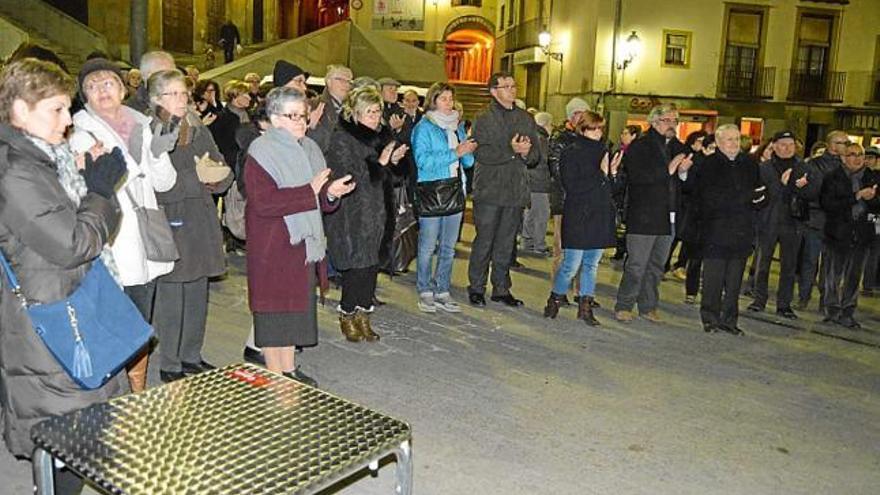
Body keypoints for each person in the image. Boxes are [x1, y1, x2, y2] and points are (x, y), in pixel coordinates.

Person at [0, 57, 128, 494]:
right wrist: (100, 191)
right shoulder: (16, 171)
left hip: (63, 309)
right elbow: (73, 245)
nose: (66, 120)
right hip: (50, 324)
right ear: (20, 110)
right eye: (55, 109)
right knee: (64, 446)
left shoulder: (34, 159)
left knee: (78, 443)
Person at [72, 58, 179, 392]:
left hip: (145, 235)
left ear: (122, 88)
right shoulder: (80, 132)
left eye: (108, 83)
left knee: (141, 317)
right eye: (92, 85)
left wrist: (159, 152)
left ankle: (137, 388)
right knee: (113, 319)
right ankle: (114, 391)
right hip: (113, 237)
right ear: (84, 96)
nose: (101, 90)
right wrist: (137, 153)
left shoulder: (143, 126)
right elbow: (110, 178)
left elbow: (164, 184)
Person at [245, 87, 354, 384]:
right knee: (274, 311)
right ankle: (275, 372)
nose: (301, 122)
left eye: (303, 116)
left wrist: (330, 193)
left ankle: (290, 368)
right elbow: (264, 201)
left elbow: (320, 199)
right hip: (273, 243)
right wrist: (310, 193)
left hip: (303, 245)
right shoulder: (262, 151)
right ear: (275, 118)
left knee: (296, 310)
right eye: (293, 116)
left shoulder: (310, 149)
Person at [146, 70, 232, 382]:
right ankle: (170, 362)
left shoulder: (195, 127)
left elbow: (222, 167)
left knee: (198, 290)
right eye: (172, 94)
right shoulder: (151, 132)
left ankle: (191, 356)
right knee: (172, 295)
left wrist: (220, 177)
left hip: (201, 217)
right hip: (171, 220)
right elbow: (158, 186)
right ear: (156, 98)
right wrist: (198, 178)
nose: (181, 100)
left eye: (183, 94)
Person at [323, 86, 407, 342]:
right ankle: (347, 313)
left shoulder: (381, 135)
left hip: (379, 210)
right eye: (369, 112)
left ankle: (364, 314)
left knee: (371, 266)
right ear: (355, 113)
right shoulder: (342, 138)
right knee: (356, 266)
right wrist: (380, 163)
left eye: (377, 111)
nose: (375, 116)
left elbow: (390, 178)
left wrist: (395, 162)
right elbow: (349, 177)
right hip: (353, 212)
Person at [466, 72, 542, 308]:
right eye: (506, 86)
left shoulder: (525, 119)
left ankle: (501, 288)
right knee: (484, 241)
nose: (512, 90)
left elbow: (536, 156)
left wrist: (527, 153)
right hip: (489, 189)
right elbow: (481, 153)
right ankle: (477, 287)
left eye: (513, 85)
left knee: (506, 243)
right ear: (493, 91)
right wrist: (511, 151)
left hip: (514, 190)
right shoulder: (483, 117)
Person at [614, 103, 693, 322]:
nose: (672, 125)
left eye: (675, 121)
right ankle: (624, 304)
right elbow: (638, 178)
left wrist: (684, 174)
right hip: (644, 214)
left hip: (670, 215)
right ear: (654, 121)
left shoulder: (680, 147)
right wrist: (668, 171)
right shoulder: (640, 147)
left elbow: (689, 186)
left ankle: (648, 306)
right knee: (637, 264)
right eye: (667, 120)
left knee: (657, 265)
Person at [543, 111, 621, 326]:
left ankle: (585, 307)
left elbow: (613, 189)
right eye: (594, 128)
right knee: (571, 264)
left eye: (601, 128)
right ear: (583, 129)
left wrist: (612, 174)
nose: (598, 132)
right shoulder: (572, 152)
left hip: (599, 213)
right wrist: (601, 174)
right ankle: (555, 299)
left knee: (591, 264)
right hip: (578, 213)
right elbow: (572, 186)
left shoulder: (604, 150)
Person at [411, 82, 477, 313]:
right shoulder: (424, 128)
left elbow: (466, 163)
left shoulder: (456, 127)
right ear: (433, 101)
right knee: (428, 246)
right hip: (432, 191)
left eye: (450, 98)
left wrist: (468, 151)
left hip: (455, 190)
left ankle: (443, 289)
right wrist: (455, 153)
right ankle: (425, 289)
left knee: (449, 247)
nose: (448, 103)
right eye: (443, 99)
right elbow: (423, 162)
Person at [695, 124, 766, 335]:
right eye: (729, 139)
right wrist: (745, 198)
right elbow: (707, 198)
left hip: (742, 230)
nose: (734, 144)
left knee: (735, 280)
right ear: (718, 142)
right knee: (713, 279)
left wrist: (759, 198)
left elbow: (760, 191)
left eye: (737, 139)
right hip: (715, 230)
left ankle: (730, 320)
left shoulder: (750, 164)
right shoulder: (709, 165)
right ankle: (710, 318)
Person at [747, 131, 808, 319]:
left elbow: (812, 193)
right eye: (783, 144)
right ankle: (759, 299)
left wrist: (803, 187)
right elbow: (761, 194)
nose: (788, 148)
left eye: (791, 144)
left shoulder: (803, 167)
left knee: (789, 266)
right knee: (762, 263)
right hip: (768, 220)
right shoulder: (764, 168)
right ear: (774, 145)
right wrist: (784, 186)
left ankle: (784, 304)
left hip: (793, 222)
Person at [819, 142, 879, 328]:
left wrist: (873, 199)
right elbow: (827, 204)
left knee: (854, 276)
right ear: (843, 158)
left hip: (861, 234)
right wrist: (857, 196)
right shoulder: (833, 177)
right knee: (833, 275)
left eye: (860, 154)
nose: (857, 158)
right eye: (852, 154)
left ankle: (848, 311)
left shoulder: (872, 177)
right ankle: (832, 310)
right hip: (837, 234)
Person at [797, 130, 848, 310]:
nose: (845, 146)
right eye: (841, 143)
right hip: (816, 219)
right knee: (810, 260)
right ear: (831, 145)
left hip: (837, 222)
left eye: (846, 143)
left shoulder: (847, 166)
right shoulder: (814, 164)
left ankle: (825, 300)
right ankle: (804, 296)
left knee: (830, 264)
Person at [547, 98, 590, 304]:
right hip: (565, 200)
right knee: (562, 248)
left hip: (586, 201)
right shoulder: (560, 139)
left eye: (584, 113)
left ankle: (581, 292)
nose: (581, 117)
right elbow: (557, 170)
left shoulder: (591, 137)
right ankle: (559, 290)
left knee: (585, 248)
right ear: (570, 116)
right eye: (577, 113)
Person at [521, 112, 553, 256]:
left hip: (531, 181)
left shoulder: (533, 136)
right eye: (551, 124)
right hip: (539, 182)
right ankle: (538, 244)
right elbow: (546, 161)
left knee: (531, 213)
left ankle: (527, 242)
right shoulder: (542, 139)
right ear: (546, 124)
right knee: (542, 214)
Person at [611, 124, 642, 261]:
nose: (622, 136)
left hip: (629, 193)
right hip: (619, 192)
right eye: (622, 133)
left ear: (634, 135)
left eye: (626, 133)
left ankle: (624, 250)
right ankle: (620, 249)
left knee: (625, 223)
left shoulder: (635, 153)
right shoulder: (619, 151)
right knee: (619, 224)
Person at [309, 64, 353, 151]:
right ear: (328, 82)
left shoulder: (352, 108)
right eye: (341, 79)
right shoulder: (313, 105)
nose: (346, 85)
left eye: (349, 81)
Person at [212, 79, 251, 168]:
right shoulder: (221, 119)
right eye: (245, 95)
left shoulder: (250, 114)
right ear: (234, 97)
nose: (249, 97)